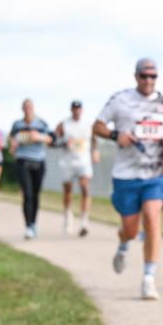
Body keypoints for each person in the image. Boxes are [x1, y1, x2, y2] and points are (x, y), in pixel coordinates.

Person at [93, 58, 163, 300]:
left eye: (153, 76)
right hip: (126, 175)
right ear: (136, 77)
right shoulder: (121, 100)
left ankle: (148, 279)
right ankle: (123, 244)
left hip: (155, 174)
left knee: (153, 220)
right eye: (144, 76)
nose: (148, 81)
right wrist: (115, 135)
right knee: (131, 229)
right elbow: (97, 126)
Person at [9, 99, 53, 240]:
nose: (28, 109)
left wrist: (38, 136)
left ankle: (34, 223)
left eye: (30, 107)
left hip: (38, 161)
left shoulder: (41, 123)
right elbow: (11, 138)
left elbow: (51, 139)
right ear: (23, 109)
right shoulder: (17, 125)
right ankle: (28, 226)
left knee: (35, 194)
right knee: (27, 194)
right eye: (26, 107)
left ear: (33, 108)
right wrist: (13, 145)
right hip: (23, 160)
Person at [56, 100, 99, 237]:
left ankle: (84, 222)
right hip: (68, 161)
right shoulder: (64, 124)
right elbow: (53, 140)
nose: (77, 111)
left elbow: (94, 139)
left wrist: (95, 151)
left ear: (82, 110)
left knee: (85, 188)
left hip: (83, 161)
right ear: (71, 110)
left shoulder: (88, 124)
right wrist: (63, 142)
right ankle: (68, 217)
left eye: (79, 108)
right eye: (74, 108)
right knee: (68, 191)